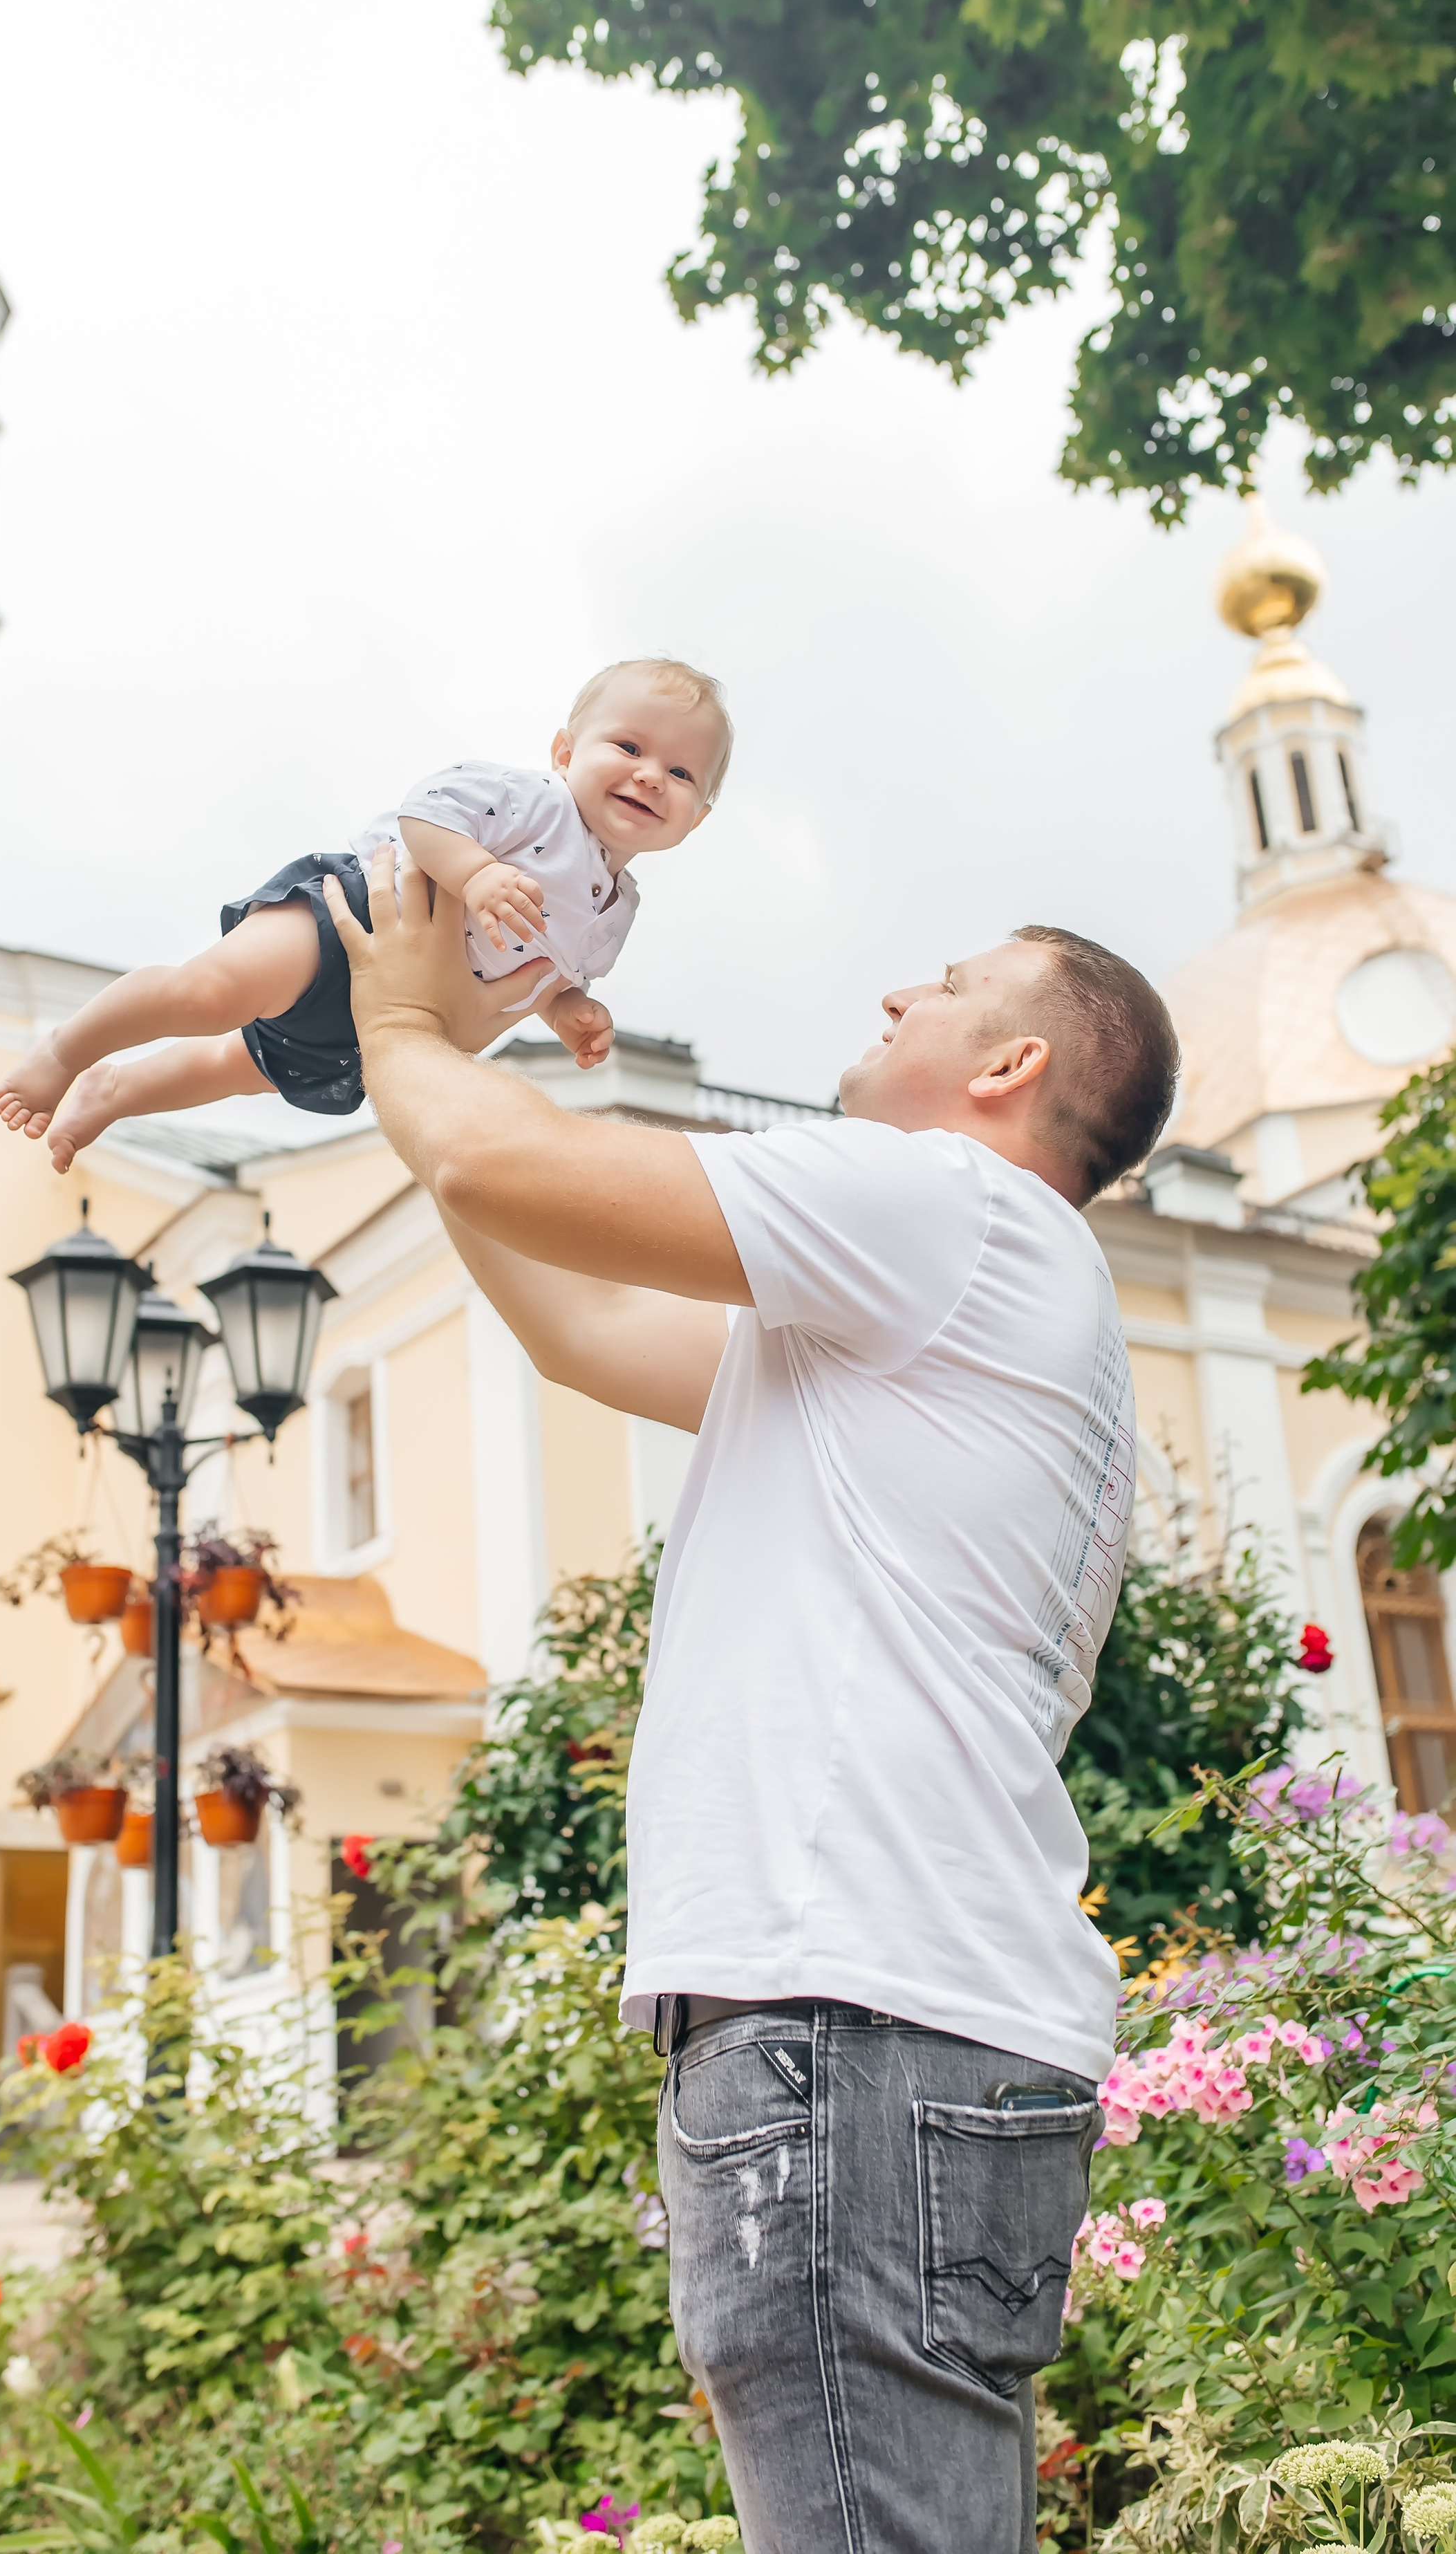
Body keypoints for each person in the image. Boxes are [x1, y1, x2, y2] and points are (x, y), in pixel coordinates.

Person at [320, 846, 1179, 2554]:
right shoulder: (947, 1306)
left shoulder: (946, 1204)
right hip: (909, 2025)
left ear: (1005, 1069)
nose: (890, 997)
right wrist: (440, 1077)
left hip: (844, 2026)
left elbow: (511, 1162)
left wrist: (400, 1019)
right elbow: (574, 1317)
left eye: (937, 983)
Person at [0, 657, 731, 1173]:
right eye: (628, 746)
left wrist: (570, 1011)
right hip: (354, 926)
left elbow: (544, 975)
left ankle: (118, 1093)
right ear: (565, 752)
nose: (648, 774)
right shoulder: (536, 802)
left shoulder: (618, 905)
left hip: (394, 1016)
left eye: (679, 773)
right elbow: (424, 814)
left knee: (240, 1068)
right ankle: (66, 1051)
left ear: (695, 819)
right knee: (208, 996)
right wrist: (474, 874)